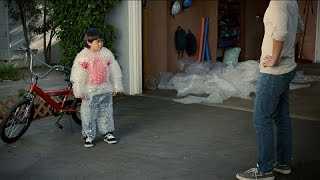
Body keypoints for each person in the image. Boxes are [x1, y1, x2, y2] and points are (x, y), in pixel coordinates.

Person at [236, 0, 303, 179]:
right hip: (287, 68)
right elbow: (298, 29)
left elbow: (280, 33)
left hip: (274, 72)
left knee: (261, 117)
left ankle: (264, 170)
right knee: (281, 117)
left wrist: (274, 58)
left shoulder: (278, 3)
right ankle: (282, 163)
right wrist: (287, 52)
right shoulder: (292, 2)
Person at [70, 28, 123, 148]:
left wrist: (116, 85)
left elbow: (114, 70)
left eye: (101, 41)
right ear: (89, 42)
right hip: (90, 91)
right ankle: (88, 135)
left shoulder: (106, 53)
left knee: (106, 111)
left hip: (105, 89)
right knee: (88, 113)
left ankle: (107, 132)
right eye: (97, 41)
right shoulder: (83, 56)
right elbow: (78, 75)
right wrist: (79, 90)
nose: (100, 44)